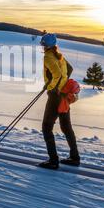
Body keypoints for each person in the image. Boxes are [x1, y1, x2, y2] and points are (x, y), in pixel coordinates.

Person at [38, 33, 80, 170]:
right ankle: (74, 158)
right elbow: (69, 69)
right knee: (66, 127)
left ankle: (53, 161)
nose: (42, 46)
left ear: (46, 45)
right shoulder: (59, 56)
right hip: (63, 95)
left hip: (55, 96)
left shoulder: (48, 57)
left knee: (46, 127)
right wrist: (62, 84)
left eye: (43, 44)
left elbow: (57, 74)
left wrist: (51, 87)